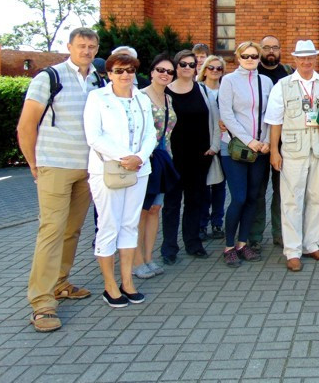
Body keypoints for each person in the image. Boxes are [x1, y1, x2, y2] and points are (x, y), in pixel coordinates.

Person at [17, 27, 104, 332]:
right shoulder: (49, 78)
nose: (87, 51)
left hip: (87, 168)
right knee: (51, 230)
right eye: (81, 45)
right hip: (54, 165)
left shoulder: (98, 80)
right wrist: (33, 163)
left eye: (92, 46)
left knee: (72, 229)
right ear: (69, 46)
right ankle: (41, 304)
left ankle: (60, 283)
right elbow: (26, 125)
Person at [84, 52, 157, 307]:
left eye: (129, 70)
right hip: (108, 170)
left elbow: (151, 133)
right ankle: (110, 285)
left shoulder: (141, 98)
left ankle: (127, 282)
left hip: (139, 169)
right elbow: (93, 136)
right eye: (119, 71)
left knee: (129, 225)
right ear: (109, 73)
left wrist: (138, 157)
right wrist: (124, 157)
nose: (125, 75)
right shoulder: (97, 98)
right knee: (108, 225)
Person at [265, 39, 319, 272]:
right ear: (295, 60)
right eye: (302, 58)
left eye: (310, 57)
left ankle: (312, 244)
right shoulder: (283, 85)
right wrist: (274, 151)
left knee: (317, 199)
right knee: (291, 200)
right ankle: (292, 250)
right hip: (293, 150)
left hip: (318, 149)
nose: (306, 61)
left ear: (315, 58)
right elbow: (274, 120)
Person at [161, 49, 221, 263]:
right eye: (183, 64)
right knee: (172, 204)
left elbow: (215, 119)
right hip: (173, 158)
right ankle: (169, 248)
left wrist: (214, 147)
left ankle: (193, 242)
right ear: (175, 67)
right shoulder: (165, 91)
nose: (187, 68)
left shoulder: (202, 90)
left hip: (200, 156)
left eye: (191, 64)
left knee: (195, 201)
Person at [219, 42, 273, 267]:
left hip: (260, 148)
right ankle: (229, 246)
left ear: (259, 58)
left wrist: (267, 141)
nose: (250, 59)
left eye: (254, 55)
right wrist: (249, 141)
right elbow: (227, 115)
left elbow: (272, 113)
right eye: (245, 55)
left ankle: (243, 243)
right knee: (239, 198)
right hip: (235, 148)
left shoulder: (266, 81)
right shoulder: (229, 81)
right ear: (237, 57)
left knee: (253, 197)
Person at [133, 55, 178, 280]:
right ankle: (137, 260)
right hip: (143, 162)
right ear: (151, 72)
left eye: (170, 71)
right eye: (161, 69)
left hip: (162, 160)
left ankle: (149, 257)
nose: (165, 74)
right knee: (141, 211)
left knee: (155, 210)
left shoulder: (168, 99)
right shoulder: (140, 97)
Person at [250, 34, 293, 250]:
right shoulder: (251, 73)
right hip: (257, 144)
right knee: (257, 191)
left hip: (284, 143)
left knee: (281, 191)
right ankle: (255, 235)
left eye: (275, 47)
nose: (271, 51)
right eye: (266, 47)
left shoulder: (288, 74)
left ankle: (280, 233)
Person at [197, 55, 227, 241]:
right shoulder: (198, 89)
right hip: (204, 144)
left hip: (223, 143)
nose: (215, 71)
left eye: (219, 68)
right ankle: (201, 224)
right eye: (211, 67)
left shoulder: (225, 90)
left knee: (219, 186)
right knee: (203, 188)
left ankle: (217, 223)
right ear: (204, 69)